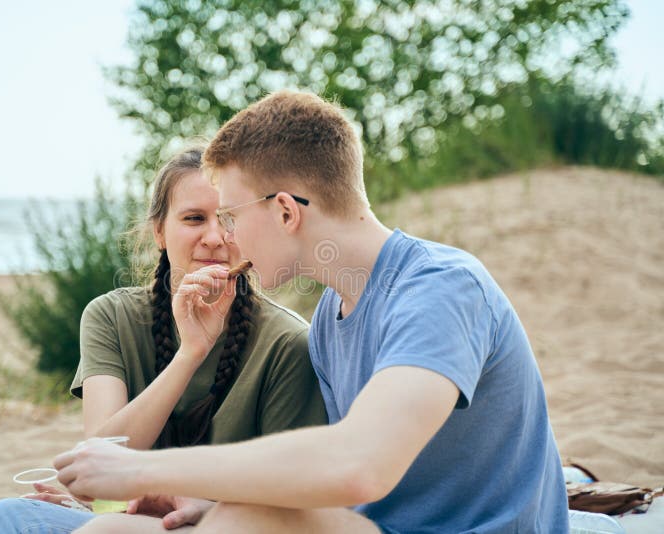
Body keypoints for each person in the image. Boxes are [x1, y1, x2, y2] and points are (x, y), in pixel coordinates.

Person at [53, 91, 570, 533]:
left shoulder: (440, 287)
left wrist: (143, 472)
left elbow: (358, 464)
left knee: (239, 522)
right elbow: (338, 494)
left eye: (231, 215)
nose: (223, 238)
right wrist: (204, 501)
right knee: (112, 528)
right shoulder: (330, 317)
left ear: (285, 211)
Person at [0, 146, 327, 534]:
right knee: (5, 517)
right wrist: (189, 354)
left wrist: (197, 506)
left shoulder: (288, 343)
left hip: (217, 526)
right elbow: (103, 465)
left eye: (229, 219)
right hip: (125, 520)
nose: (214, 237)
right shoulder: (110, 317)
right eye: (194, 218)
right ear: (159, 230)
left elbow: (292, 501)